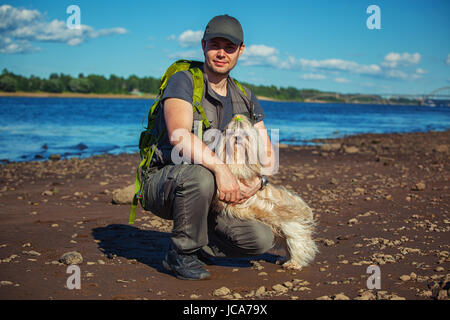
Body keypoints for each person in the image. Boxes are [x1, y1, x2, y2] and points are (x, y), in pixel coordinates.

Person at [142, 14, 277, 280]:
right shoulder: (184, 81)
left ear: (241, 50)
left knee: (261, 239)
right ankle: (180, 255)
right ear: (203, 45)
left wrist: (258, 182)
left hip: (219, 197)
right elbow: (179, 134)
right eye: (215, 45)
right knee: (202, 174)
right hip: (166, 183)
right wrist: (222, 170)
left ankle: (202, 243)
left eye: (229, 48)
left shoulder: (246, 97)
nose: (221, 53)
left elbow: (269, 156)